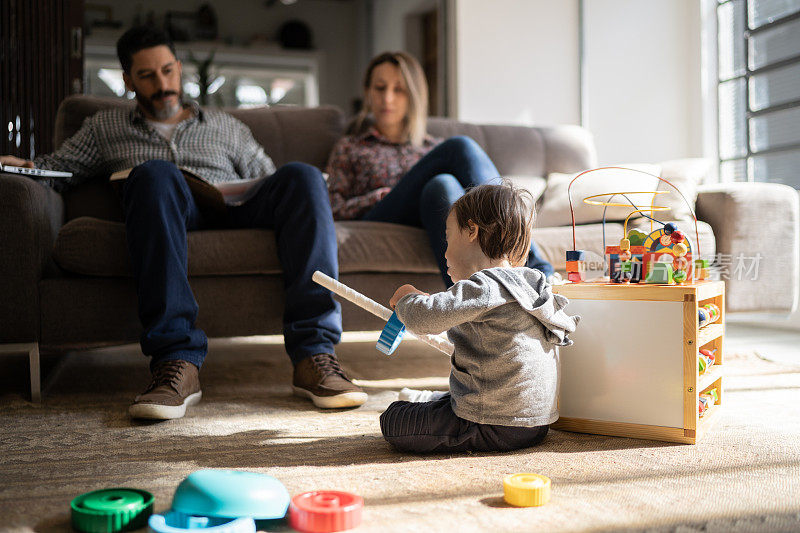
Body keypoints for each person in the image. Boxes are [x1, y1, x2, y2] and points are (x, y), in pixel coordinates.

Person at [0, 26, 366, 419]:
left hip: (236, 208)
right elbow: (59, 169)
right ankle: (177, 362)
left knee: (304, 177)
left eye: (168, 70)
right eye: (147, 75)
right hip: (167, 210)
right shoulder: (104, 127)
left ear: (178, 68)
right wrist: (28, 168)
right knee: (155, 173)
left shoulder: (225, 125)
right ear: (128, 80)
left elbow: (269, 177)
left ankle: (315, 355)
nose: (162, 84)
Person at [379, 182, 580, 453]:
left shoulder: (485, 285)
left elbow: (421, 319)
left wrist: (407, 297)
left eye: (448, 238)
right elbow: (443, 310)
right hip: (536, 423)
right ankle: (439, 402)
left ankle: (436, 407)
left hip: (492, 424)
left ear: (471, 231)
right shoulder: (530, 284)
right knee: (441, 405)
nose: (445, 251)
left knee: (393, 419)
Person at [325, 51, 553, 287]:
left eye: (398, 90)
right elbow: (332, 209)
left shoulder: (430, 147)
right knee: (460, 146)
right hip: (383, 214)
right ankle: (533, 263)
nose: (387, 99)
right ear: (368, 92)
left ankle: (465, 300)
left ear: (414, 95)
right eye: (380, 88)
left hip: (430, 213)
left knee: (441, 185)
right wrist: (378, 196)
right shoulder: (351, 146)